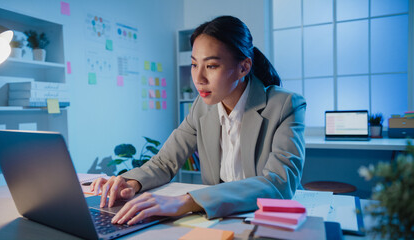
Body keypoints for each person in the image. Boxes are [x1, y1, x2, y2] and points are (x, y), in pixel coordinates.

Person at [91, 15, 306, 226]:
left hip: (267, 220)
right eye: (194, 65)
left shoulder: (285, 104)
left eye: (211, 66)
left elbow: (278, 184)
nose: (198, 79)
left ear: (244, 67)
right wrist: (131, 183)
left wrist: (187, 201)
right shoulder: (201, 107)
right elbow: (165, 162)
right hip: (219, 219)